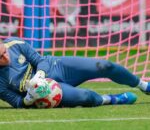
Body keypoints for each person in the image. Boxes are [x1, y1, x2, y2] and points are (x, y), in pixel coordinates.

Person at [0, 37, 149, 108]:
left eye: (4, 52)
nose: (6, 56)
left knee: (104, 65)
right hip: (46, 92)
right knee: (85, 96)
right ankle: (111, 99)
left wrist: (39, 75)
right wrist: (29, 98)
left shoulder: (14, 44)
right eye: (1, 57)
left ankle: (143, 85)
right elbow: (17, 103)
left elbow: (40, 60)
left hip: (55, 67)